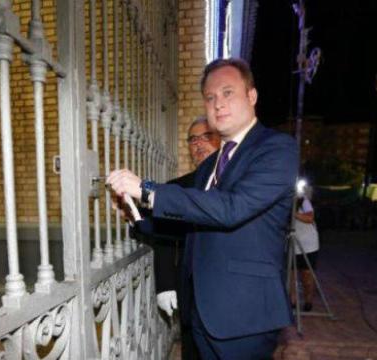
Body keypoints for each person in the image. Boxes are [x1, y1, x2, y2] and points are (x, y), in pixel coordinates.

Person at [108, 58, 298, 359]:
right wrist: (135, 212)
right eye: (210, 98)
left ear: (252, 96)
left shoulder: (276, 148)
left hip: (245, 316)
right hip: (201, 311)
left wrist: (148, 190)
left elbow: (231, 208)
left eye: (227, 93)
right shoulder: (209, 164)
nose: (218, 104)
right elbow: (192, 224)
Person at [135, 115, 220, 360]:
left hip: (229, 290)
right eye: (193, 139)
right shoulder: (176, 188)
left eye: (207, 136)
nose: (198, 144)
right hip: (191, 288)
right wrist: (165, 285)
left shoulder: (236, 185)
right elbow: (163, 237)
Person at [290, 191, 320, 312]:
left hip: (308, 245)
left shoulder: (303, 201)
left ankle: (308, 301)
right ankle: (292, 301)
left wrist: (293, 213)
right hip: (291, 243)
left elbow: (309, 218)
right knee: (290, 275)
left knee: (306, 275)